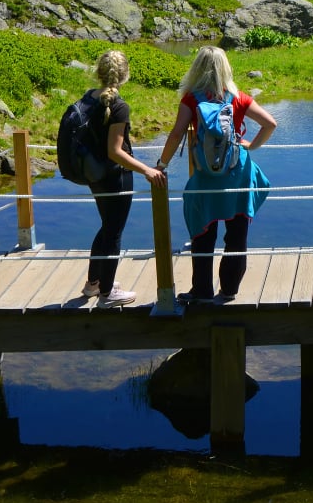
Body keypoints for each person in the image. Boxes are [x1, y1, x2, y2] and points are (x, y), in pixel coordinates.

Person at [158, 45, 276, 303]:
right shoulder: (238, 98)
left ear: (197, 68)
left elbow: (176, 134)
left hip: (206, 176)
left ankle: (201, 290)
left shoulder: (191, 99)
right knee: (237, 234)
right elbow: (270, 123)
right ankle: (229, 290)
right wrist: (251, 146)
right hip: (238, 173)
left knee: (203, 232)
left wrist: (161, 164)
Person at [82, 49, 164, 307]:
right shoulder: (118, 106)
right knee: (114, 232)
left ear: (98, 72)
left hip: (93, 174)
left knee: (106, 226)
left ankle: (93, 284)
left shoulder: (88, 98)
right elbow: (115, 151)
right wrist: (147, 170)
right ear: (125, 75)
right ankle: (107, 294)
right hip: (115, 177)